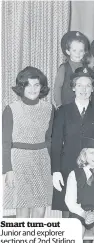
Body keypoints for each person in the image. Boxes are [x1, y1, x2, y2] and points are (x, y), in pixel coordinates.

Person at [51, 66, 94, 216]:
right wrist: (55, 171)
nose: (84, 89)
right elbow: (56, 143)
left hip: (92, 169)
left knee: (91, 211)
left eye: (88, 85)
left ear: (93, 89)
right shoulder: (63, 111)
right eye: (79, 85)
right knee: (67, 210)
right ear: (73, 88)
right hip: (67, 166)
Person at [3, 66, 55, 218]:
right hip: (19, 160)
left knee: (40, 206)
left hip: (42, 160)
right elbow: (5, 142)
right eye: (28, 85)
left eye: (36, 85)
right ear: (21, 87)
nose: (32, 89)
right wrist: (8, 170)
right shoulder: (11, 109)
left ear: (42, 87)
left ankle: (35, 240)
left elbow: (49, 140)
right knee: (23, 205)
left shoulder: (49, 109)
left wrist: (52, 168)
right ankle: (23, 241)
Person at [52, 31, 90, 107]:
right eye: (74, 50)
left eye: (81, 51)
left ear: (85, 52)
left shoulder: (87, 69)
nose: (78, 53)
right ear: (68, 51)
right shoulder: (63, 68)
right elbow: (57, 88)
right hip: (66, 104)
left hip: (82, 105)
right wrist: (59, 104)